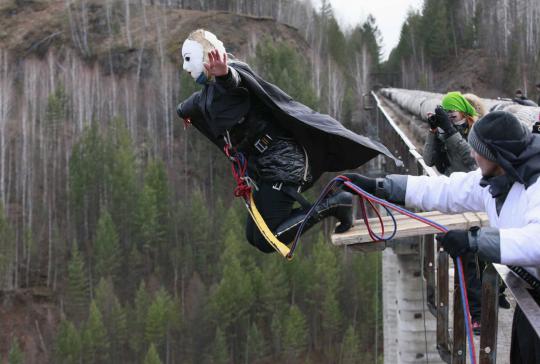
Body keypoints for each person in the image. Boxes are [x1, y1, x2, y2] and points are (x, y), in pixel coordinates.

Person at [176, 29, 399, 253]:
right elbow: (195, 103)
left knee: (267, 240)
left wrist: (224, 75)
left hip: (283, 163)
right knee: (254, 236)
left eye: (188, 60)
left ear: (208, 57)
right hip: (266, 167)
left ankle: (336, 203)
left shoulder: (232, 80)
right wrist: (182, 111)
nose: (186, 68)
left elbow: (233, 84)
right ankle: (339, 195)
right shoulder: (210, 93)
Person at [343, 110, 540, 362]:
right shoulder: (497, 179)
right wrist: (379, 186)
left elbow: (536, 241)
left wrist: (474, 240)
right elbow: (445, 190)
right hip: (531, 297)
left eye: (477, 150)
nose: (472, 155)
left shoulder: (535, 186)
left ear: (496, 156)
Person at [423, 91, 485, 175]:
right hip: (450, 183)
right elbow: (428, 161)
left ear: (462, 111)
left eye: (451, 111)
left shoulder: (477, 129)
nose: (448, 115)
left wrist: (450, 131)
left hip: (469, 182)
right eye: (445, 111)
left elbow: (472, 159)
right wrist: (433, 131)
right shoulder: (444, 131)